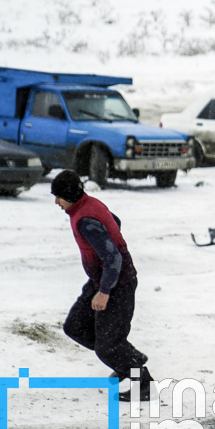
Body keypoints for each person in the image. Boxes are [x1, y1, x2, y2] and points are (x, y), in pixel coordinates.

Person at [52, 170, 152, 400]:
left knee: (107, 346)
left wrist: (105, 291)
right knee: (75, 326)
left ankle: (144, 384)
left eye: (58, 196)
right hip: (101, 280)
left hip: (117, 284)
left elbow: (114, 258)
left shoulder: (86, 220)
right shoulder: (88, 205)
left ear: (69, 194)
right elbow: (114, 221)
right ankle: (127, 360)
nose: (56, 202)